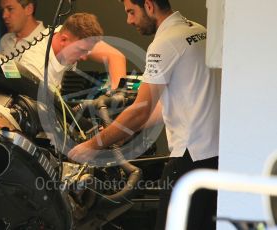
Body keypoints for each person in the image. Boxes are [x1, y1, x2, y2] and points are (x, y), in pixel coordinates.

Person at [68, 0, 220, 230]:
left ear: (149, 6)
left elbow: (141, 110)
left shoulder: (164, 44)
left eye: (131, 12)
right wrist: (125, 131)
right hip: (217, 155)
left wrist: (92, 145)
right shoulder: (198, 30)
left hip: (191, 156)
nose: (129, 20)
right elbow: (169, 104)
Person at [18, 13, 127, 89]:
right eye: (81, 51)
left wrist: (117, 96)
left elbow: (116, 57)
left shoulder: (71, 34)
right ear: (63, 40)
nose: (84, 57)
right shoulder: (34, 66)